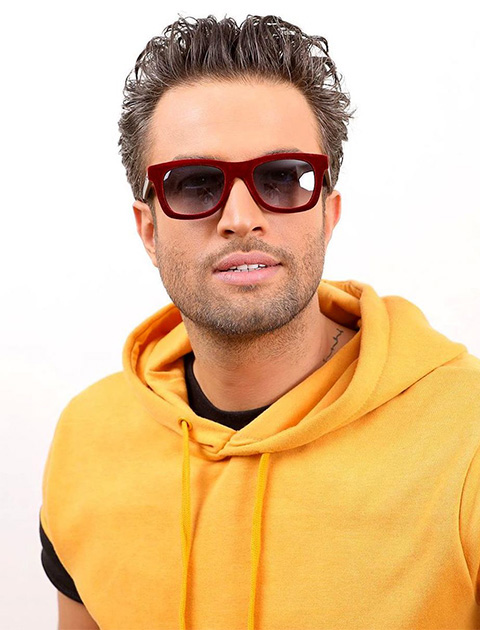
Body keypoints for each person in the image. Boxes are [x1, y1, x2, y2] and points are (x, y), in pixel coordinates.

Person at [39, 13, 480, 630]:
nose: (240, 218)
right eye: (195, 184)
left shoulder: (467, 435)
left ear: (327, 214)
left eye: (281, 178)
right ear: (148, 229)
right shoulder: (88, 437)